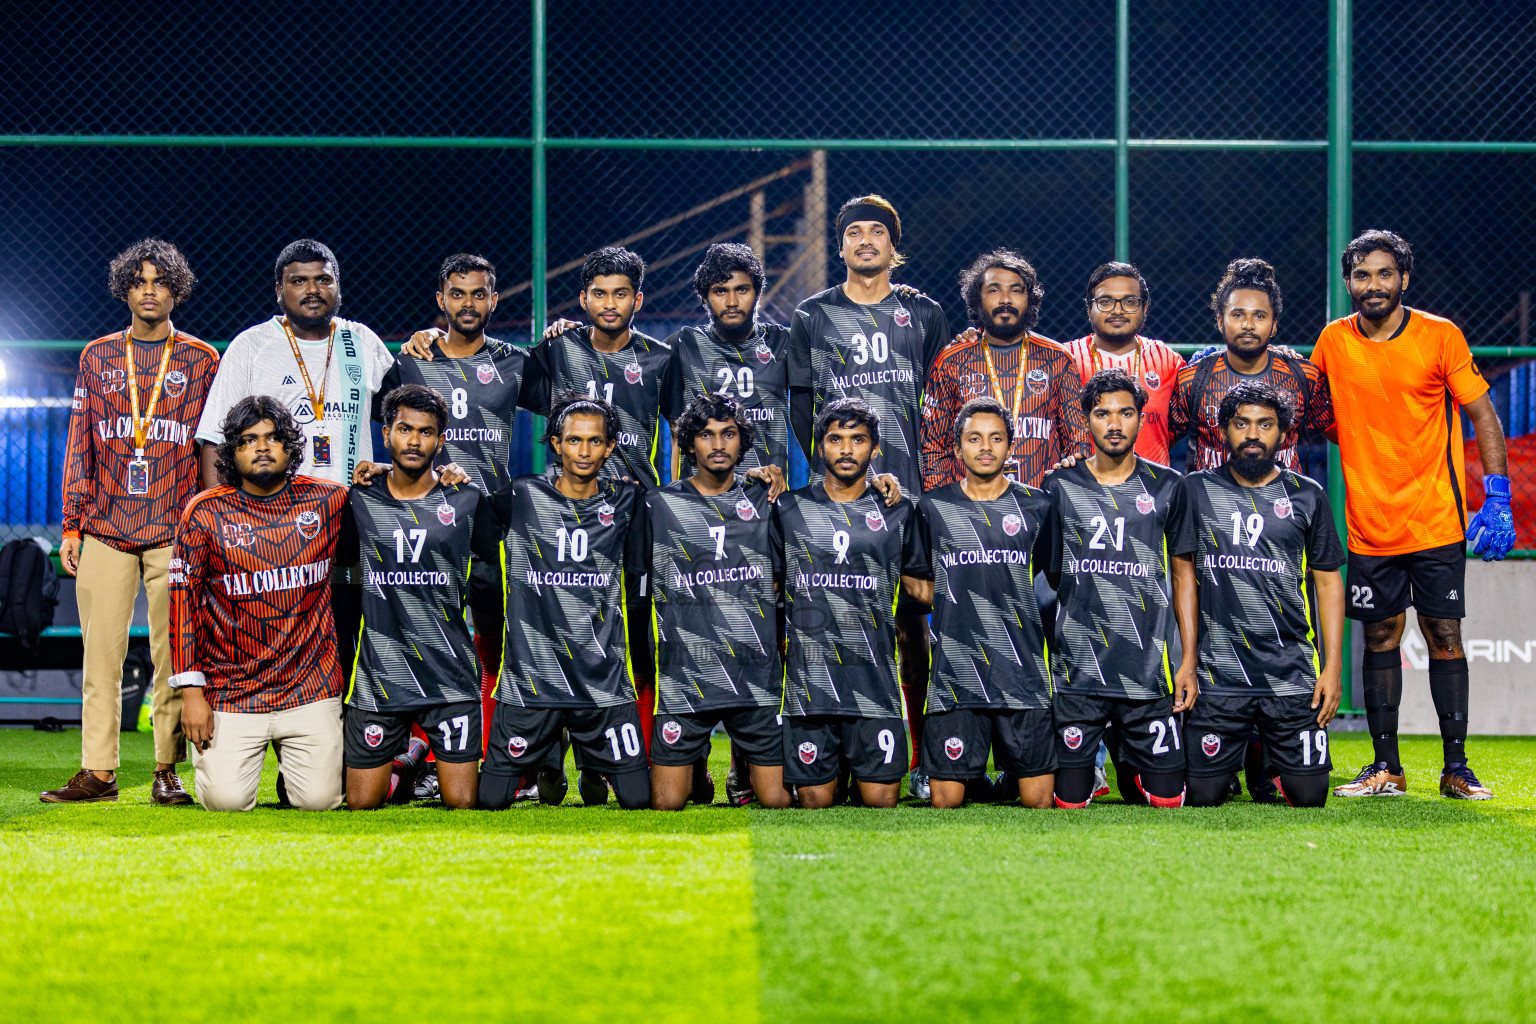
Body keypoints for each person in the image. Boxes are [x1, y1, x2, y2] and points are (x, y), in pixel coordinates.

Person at [1316, 230, 1510, 801]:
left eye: (1383, 274)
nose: (1372, 285)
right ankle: (1386, 768)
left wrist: (1496, 494)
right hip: (1370, 523)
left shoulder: (1440, 336)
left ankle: (1457, 769)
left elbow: (1484, 415)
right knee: (1380, 635)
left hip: (1435, 519)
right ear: (1348, 282)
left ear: (1404, 278)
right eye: (1361, 275)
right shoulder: (1332, 341)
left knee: (1444, 634)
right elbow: (1318, 411)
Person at [44, 239, 219, 806]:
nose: (150, 290)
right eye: (140, 281)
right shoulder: (96, 356)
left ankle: (166, 770)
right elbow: (80, 445)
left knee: (176, 655)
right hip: (107, 528)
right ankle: (99, 771)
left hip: (176, 530)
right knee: (102, 655)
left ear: (177, 290)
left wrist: (208, 524)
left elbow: (207, 449)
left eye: (161, 281)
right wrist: (72, 523)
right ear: (124, 288)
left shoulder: (200, 359)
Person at [787, 194, 948, 799]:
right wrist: (833, 479)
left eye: (876, 232)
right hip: (840, 498)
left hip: (909, 495)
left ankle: (921, 755)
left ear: (892, 246)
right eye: (853, 232)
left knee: (915, 625)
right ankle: (829, 750)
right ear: (841, 245)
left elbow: (941, 404)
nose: (864, 241)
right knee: (835, 620)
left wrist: (925, 482)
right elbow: (803, 402)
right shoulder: (812, 315)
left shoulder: (924, 314)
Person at [194, 239, 394, 696]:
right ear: (279, 289)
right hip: (273, 521)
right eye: (298, 280)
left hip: (350, 517)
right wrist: (219, 519)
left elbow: (403, 417)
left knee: (343, 634)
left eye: (323, 279)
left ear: (338, 287)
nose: (312, 289)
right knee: (279, 639)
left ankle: (335, 754)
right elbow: (213, 439)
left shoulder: (362, 341)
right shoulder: (253, 345)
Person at [360, 253, 524, 769]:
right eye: (458, 293)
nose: (468, 303)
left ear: (494, 300)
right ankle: (413, 750)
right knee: (416, 631)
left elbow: (573, 402)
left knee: (494, 642)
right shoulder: (411, 359)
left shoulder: (516, 362)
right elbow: (382, 420)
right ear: (441, 301)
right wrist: (369, 469)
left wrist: (564, 330)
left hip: (490, 524)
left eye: (479, 294)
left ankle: (492, 754)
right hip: (423, 527)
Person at [168, 397, 349, 812]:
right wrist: (192, 693)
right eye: (249, 440)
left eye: (273, 438)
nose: (262, 447)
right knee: (224, 802)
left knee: (321, 802)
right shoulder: (204, 511)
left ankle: (298, 769)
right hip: (232, 690)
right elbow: (181, 606)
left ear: (290, 447)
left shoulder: (331, 500)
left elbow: (393, 497)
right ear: (232, 452)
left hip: (310, 686)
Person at [478, 393, 653, 811]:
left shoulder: (628, 501)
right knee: (489, 800)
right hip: (532, 681)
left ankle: (592, 762)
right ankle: (550, 760)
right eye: (574, 440)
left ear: (610, 447)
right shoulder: (520, 496)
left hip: (603, 680)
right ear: (555, 443)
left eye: (595, 441)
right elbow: (465, 515)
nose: (584, 451)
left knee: (637, 799)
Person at [1176, 382, 1345, 808]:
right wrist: (1189, 663)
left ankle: (1267, 752)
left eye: (1265, 425)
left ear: (1283, 434)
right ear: (1223, 431)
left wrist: (1331, 669)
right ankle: (1251, 748)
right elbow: (1183, 574)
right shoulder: (1194, 490)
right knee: (1203, 796)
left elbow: (1327, 581)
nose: (1253, 434)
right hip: (1220, 677)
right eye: (1241, 424)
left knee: (1310, 797)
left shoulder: (1308, 494)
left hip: (1289, 673)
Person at [338, 385, 504, 810]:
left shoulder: (466, 500)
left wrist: (492, 646)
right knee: (360, 805)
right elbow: (343, 578)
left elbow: (487, 578)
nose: (414, 440)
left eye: (426, 432)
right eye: (404, 429)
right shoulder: (358, 498)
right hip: (380, 677)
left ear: (441, 441)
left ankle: (416, 756)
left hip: (448, 674)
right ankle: (407, 763)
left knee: (461, 802)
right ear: (387, 433)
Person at [1041, 369, 1197, 808]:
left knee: (1168, 801)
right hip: (1079, 675)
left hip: (1146, 675)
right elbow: (1053, 574)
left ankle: (1128, 755)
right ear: (1086, 420)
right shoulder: (1060, 484)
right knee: (1068, 802)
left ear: (1141, 418)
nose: (1114, 424)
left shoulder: (1170, 485)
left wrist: (1187, 660)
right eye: (1102, 413)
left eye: (1125, 413)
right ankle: (1104, 745)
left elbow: (1183, 574)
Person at [639, 394, 792, 810]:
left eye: (729, 434)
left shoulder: (766, 501)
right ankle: (698, 771)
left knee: (776, 801)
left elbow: (783, 581)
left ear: (743, 443)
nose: (719, 443)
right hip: (684, 675)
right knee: (667, 804)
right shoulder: (659, 505)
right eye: (706, 435)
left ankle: (736, 770)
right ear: (690, 444)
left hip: (753, 676)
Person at [776, 399, 928, 808]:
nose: (846, 449)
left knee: (881, 803)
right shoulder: (789, 508)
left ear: (874, 449)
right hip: (810, 688)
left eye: (857, 439)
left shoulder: (898, 510)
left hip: (873, 684)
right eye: (835, 439)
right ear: (820, 446)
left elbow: (920, 587)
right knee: (815, 803)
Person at [910, 397, 1056, 808]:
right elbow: (915, 581)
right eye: (974, 439)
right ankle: (978, 779)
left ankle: (1007, 778)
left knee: (1039, 801)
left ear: (1011, 446)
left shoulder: (1039, 507)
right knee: (945, 801)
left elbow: (1056, 578)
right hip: (956, 674)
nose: (986, 447)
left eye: (996, 438)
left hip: (1021, 672)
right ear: (957, 448)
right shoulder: (932, 507)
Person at [923, 248, 1087, 491]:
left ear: (1030, 299)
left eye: (1016, 290)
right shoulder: (952, 360)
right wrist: (944, 507)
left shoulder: (1058, 359)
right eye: (994, 290)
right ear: (977, 300)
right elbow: (933, 447)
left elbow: (1078, 443)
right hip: (971, 508)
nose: (1005, 299)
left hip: (1042, 505)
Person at [1167, 258, 1333, 473]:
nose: (1248, 325)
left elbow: (1334, 430)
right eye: (1238, 315)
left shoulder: (1304, 376)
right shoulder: (1192, 379)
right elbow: (1163, 440)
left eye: (1259, 316)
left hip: (1284, 504)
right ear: (1220, 321)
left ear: (1274, 325)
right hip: (1210, 504)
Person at [1063, 262, 1186, 466]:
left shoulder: (1168, 360)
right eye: (1105, 301)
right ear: (1089, 309)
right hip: (1082, 490)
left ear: (1144, 308)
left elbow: (1175, 428)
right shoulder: (1066, 358)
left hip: (1153, 489)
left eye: (1129, 302)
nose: (1117, 311)